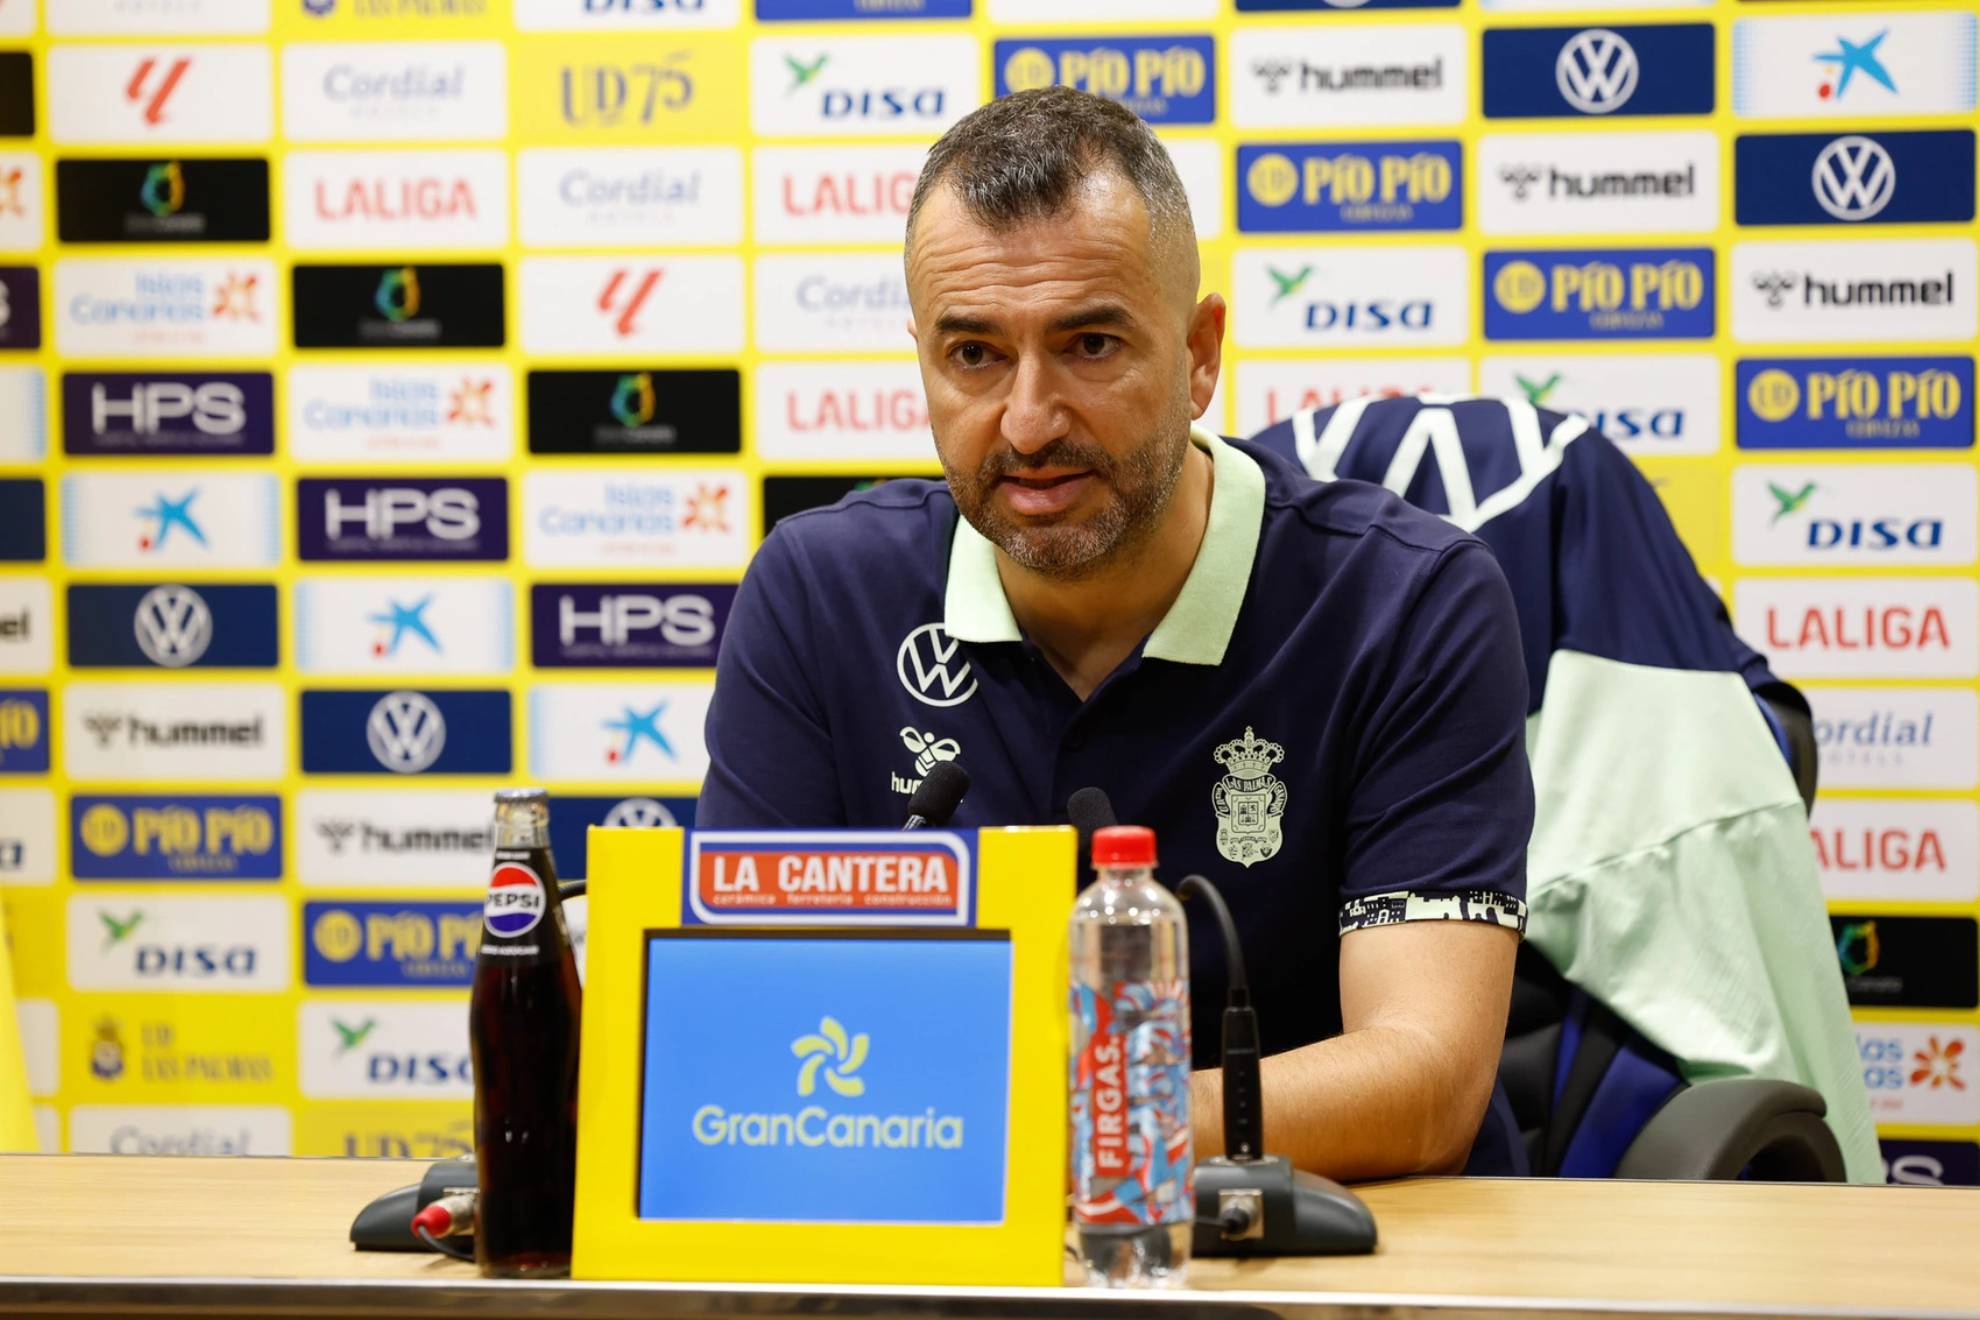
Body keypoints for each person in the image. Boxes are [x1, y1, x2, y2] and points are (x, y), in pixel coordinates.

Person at [699, 87, 1535, 1180]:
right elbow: (743, 1031)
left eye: (1090, 344)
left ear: (1199, 356)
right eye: (974, 355)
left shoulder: (1408, 603)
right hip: (945, 1258)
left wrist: (1025, 1122)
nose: (1031, 421)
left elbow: (1424, 1084)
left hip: (1323, 1264)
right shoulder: (818, 596)